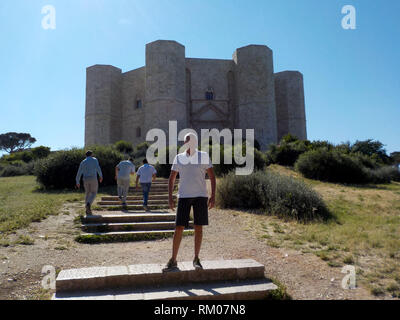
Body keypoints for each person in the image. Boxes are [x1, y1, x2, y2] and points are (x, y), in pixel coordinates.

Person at [163, 133, 216, 272]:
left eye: (191, 140)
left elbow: (212, 175)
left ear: (196, 142)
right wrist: (170, 196)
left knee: (199, 227)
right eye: (187, 140)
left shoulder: (203, 155)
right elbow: (172, 177)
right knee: (179, 227)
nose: (189, 143)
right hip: (184, 196)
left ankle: (196, 258)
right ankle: (173, 259)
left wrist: (213, 195)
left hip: (200, 196)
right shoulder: (179, 158)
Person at [75, 150, 103, 215]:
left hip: (85, 179)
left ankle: (87, 209)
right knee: (94, 192)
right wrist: (101, 176)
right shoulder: (94, 160)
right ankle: (88, 204)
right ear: (91, 154)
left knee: (87, 193)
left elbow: (79, 172)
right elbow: (98, 168)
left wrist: (77, 181)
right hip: (93, 178)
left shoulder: (83, 162)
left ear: (86, 155)